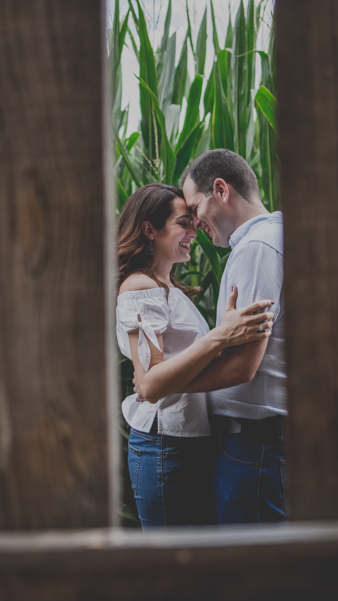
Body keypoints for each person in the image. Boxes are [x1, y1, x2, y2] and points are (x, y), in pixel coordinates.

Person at [116, 183, 275, 529]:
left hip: (185, 444)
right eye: (182, 224)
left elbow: (159, 377)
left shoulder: (167, 288)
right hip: (165, 447)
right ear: (149, 230)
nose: (194, 232)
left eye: (193, 222)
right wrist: (222, 335)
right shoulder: (139, 287)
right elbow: (152, 384)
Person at [178, 149, 287, 524]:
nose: (193, 226)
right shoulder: (269, 238)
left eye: (194, 210)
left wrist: (164, 384)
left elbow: (243, 366)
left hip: (254, 449)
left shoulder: (257, 247)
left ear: (221, 190)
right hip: (259, 446)